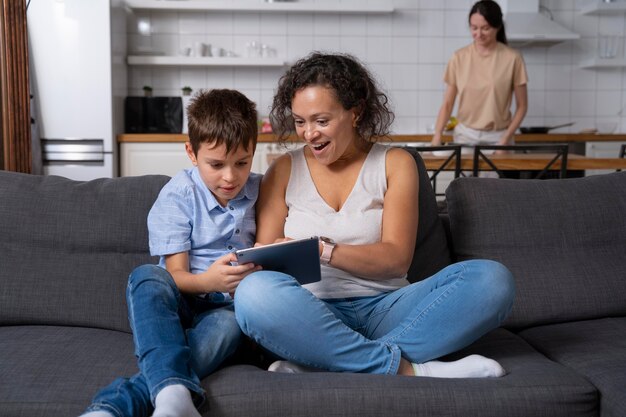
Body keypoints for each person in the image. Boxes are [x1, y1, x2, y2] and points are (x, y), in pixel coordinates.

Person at [233, 52, 516, 378]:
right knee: (255, 294)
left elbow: (395, 260)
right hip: (309, 312)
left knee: (492, 280)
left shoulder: (396, 163)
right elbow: (262, 266)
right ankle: (405, 368)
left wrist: (323, 251)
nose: (309, 133)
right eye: (300, 122)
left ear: (355, 113)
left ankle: (325, 359)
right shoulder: (282, 169)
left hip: (389, 307)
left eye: (321, 121)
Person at [81, 89, 262, 417]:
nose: (230, 176)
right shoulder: (178, 195)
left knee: (228, 328)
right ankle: (171, 394)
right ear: (191, 153)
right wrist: (210, 281)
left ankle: (156, 398)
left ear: (254, 150)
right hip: (183, 298)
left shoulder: (262, 189)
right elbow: (176, 275)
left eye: (242, 163)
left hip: (230, 311)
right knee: (146, 276)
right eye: (216, 164)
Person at [431, 0, 528, 150]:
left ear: (498, 27)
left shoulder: (513, 58)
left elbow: (522, 106)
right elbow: (447, 104)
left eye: (485, 28)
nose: (478, 34)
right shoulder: (459, 57)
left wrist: (505, 139)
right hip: (465, 136)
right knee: (465, 175)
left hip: (499, 137)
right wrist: (437, 135)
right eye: (474, 28)